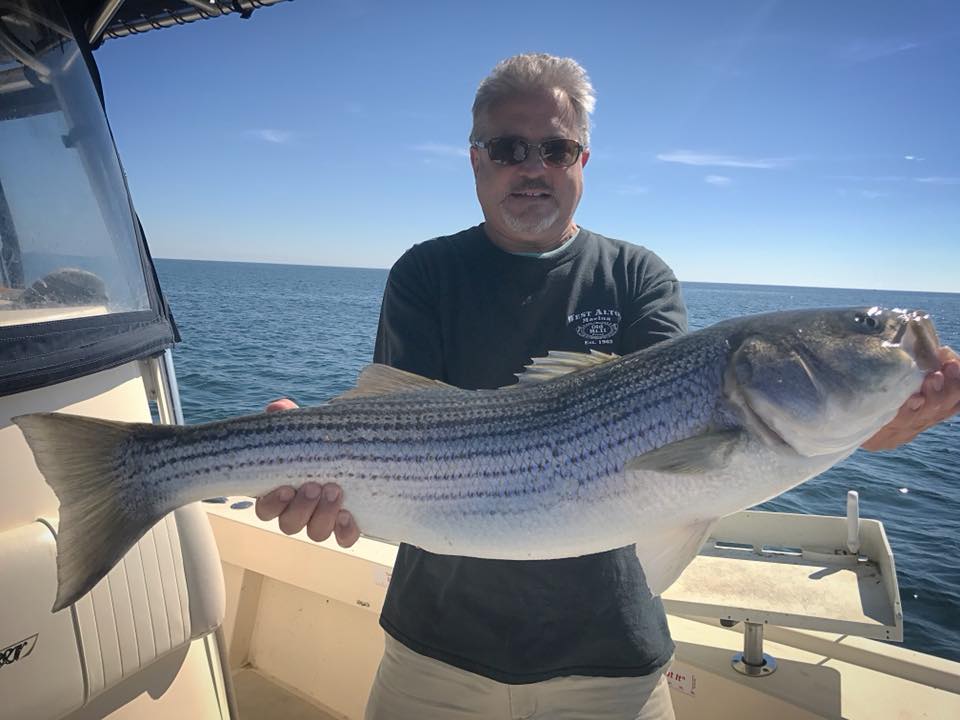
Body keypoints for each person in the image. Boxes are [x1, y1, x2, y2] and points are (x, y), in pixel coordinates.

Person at [256, 54, 960, 719]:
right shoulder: (425, 273)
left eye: (556, 149)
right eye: (508, 148)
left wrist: (876, 426)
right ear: (476, 159)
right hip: (433, 653)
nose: (533, 167)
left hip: (612, 663)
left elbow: (683, 457)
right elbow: (396, 418)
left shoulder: (636, 275)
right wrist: (315, 456)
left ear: (583, 161)